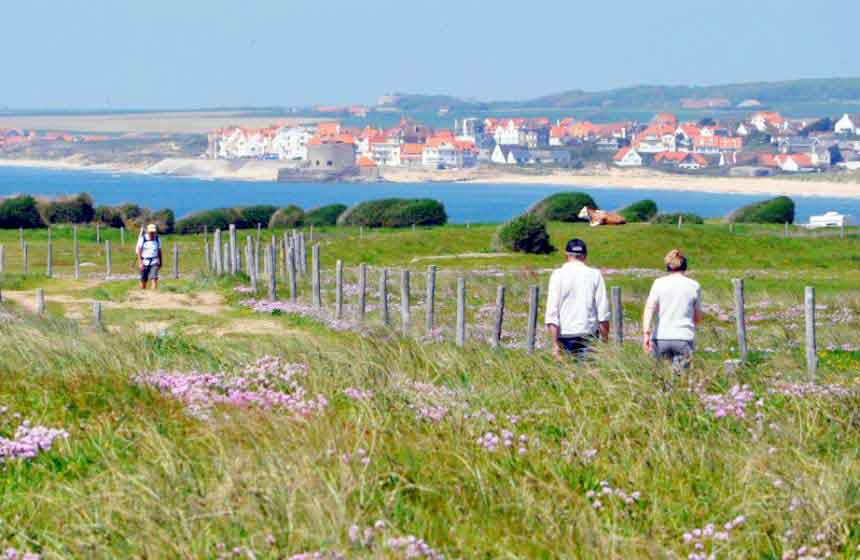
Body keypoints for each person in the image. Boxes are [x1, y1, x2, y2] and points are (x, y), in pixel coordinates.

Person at [545, 238, 610, 359]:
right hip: (588, 334)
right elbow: (603, 312)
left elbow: (552, 313)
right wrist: (604, 342)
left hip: (564, 334)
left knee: (566, 375)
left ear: (566, 255)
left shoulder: (557, 275)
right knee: (590, 374)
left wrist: (554, 345)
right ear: (584, 256)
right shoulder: (595, 274)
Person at [642, 249, 703, 372]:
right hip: (683, 336)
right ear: (685, 266)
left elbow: (649, 309)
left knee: (660, 377)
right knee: (680, 377)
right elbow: (697, 318)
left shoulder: (658, 283)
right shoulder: (693, 285)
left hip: (661, 337)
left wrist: (646, 333)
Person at [136, 224, 162, 290]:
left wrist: (160, 262)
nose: (152, 233)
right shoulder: (143, 239)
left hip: (154, 262)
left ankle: (153, 295)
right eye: (151, 232)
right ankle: (142, 294)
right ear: (148, 231)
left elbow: (159, 251)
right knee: (143, 280)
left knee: (154, 278)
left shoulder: (157, 239)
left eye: (153, 232)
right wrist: (140, 262)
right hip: (144, 262)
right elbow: (139, 251)